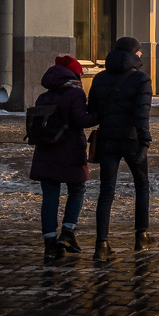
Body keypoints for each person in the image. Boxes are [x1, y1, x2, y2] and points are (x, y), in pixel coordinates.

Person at [87, 36, 153, 262]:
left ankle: (101, 244)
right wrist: (145, 141)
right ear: (133, 54)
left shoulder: (99, 78)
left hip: (107, 139)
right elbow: (141, 114)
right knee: (142, 184)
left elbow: (92, 111)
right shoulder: (141, 79)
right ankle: (141, 235)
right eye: (140, 51)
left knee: (106, 191)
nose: (142, 55)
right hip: (131, 139)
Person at [29, 55, 97, 263]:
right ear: (74, 73)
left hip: (45, 151)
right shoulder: (75, 93)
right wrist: (98, 115)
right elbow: (81, 120)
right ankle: (67, 232)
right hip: (69, 152)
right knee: (77, 189)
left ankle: (50, 244)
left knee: (50, 197)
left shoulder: (44, 96)